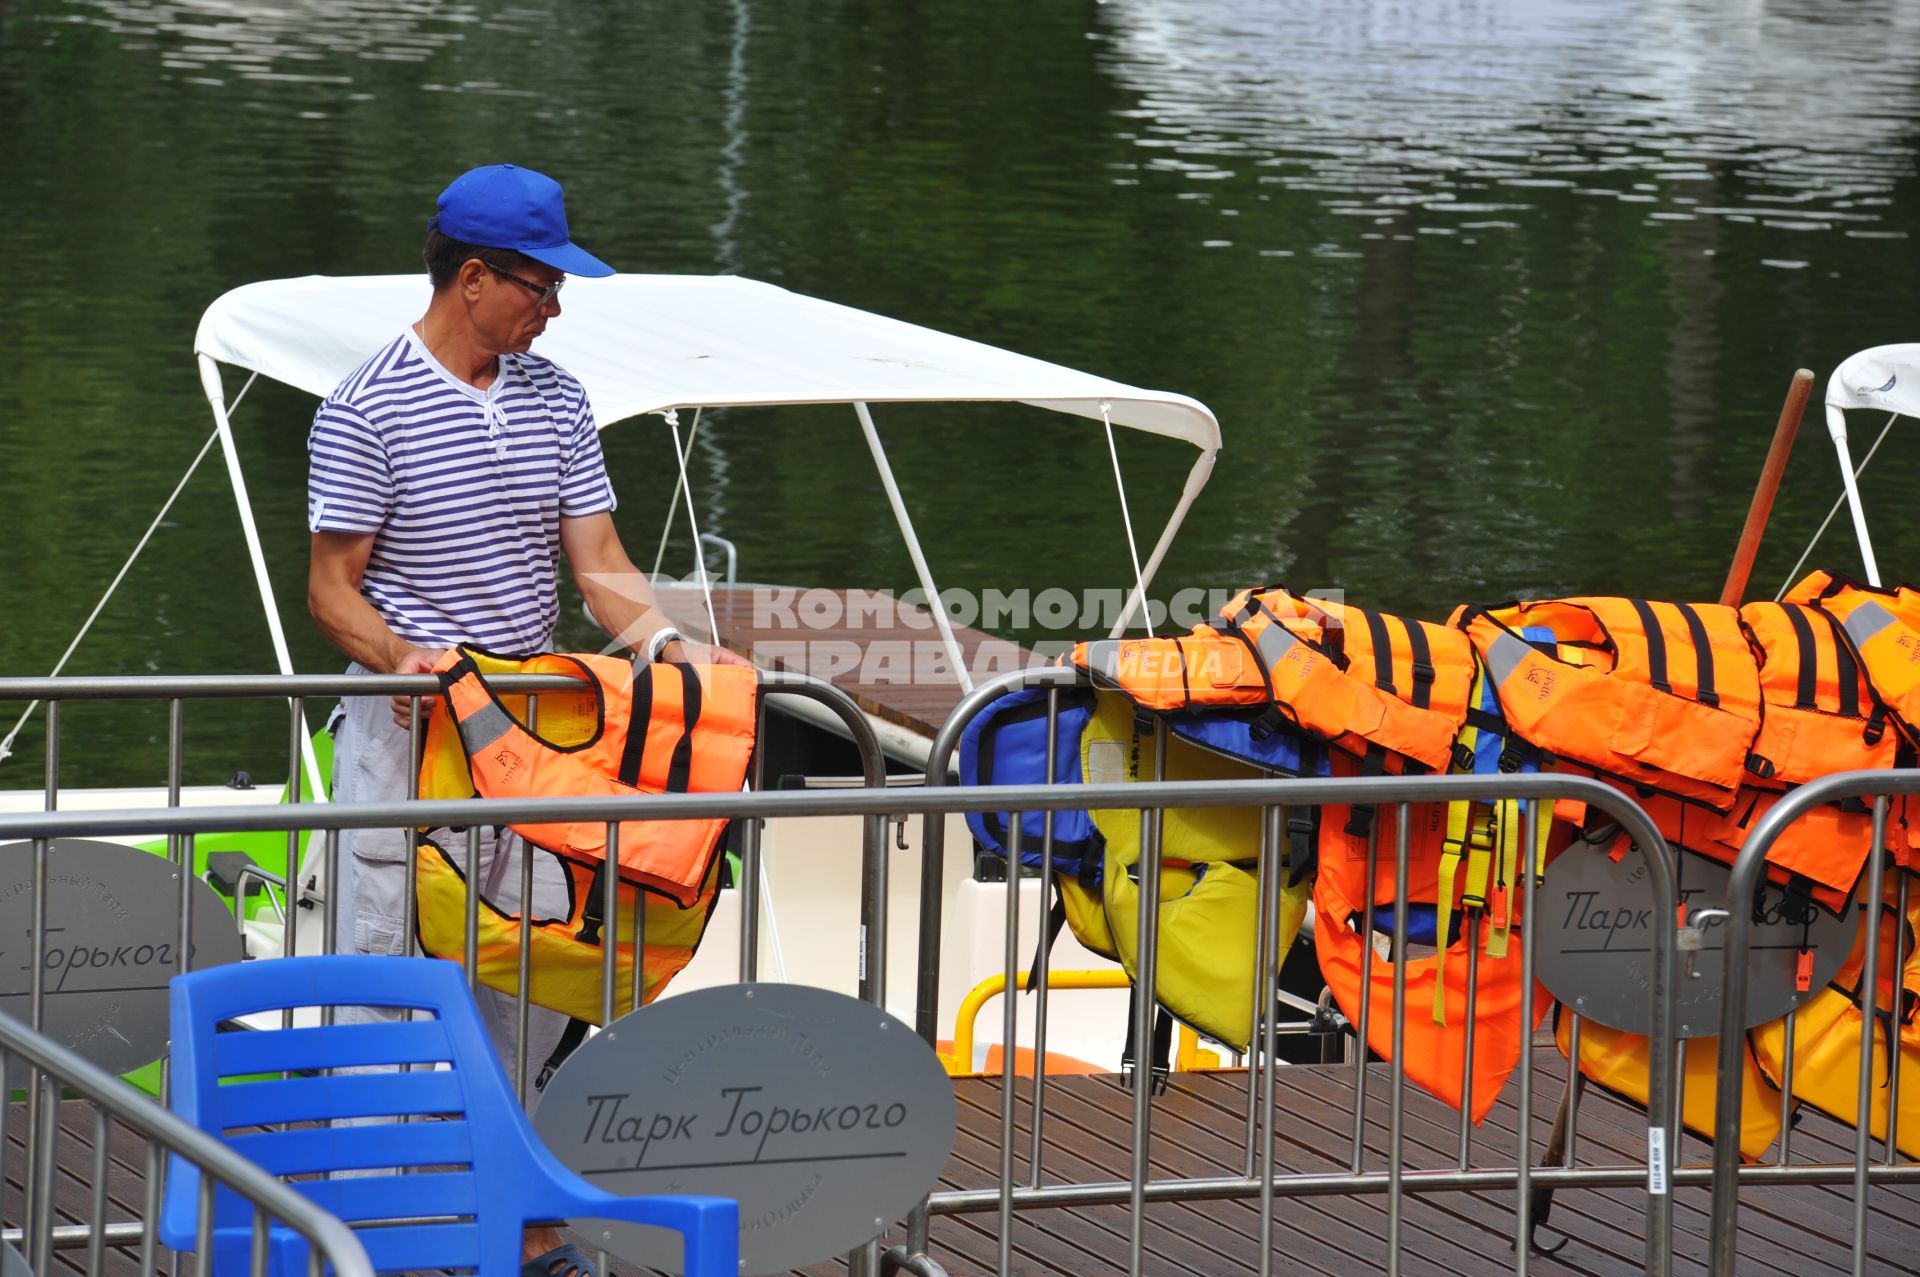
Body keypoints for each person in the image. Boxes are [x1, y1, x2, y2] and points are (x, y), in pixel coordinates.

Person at [306, 163, 737, 1277]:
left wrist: (673, 647)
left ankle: (510, 1213)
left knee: (528, 961)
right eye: (541, 286)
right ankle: (399, 1226)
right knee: (397, 970)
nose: (555, 307)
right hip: (412, 741)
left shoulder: (557, 398)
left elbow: (598, 566)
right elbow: (333, 587)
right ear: (475, 277)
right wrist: (405, 658)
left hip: (534, 739)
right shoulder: (364, 406)